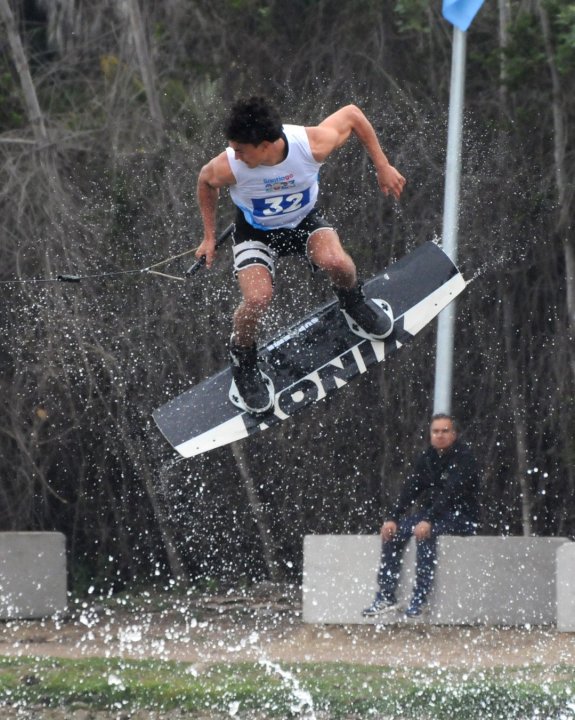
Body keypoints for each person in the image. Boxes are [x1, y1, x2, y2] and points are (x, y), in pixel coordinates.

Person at [195, 96, 406, 415]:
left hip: (304, 222)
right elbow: (205, 182)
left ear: (265, 145)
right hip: (256, 233)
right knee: (257, 299)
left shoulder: (312, 145)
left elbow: (351, 114)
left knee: (337, 261)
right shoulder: (229, 166)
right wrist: (209, 237)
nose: (234, 155)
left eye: (241, 149)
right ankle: (243, 359)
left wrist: (382, 165)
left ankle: (353, 303)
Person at [363, 413, 480, 619]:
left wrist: (429, 520)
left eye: (445, 431)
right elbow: (411, 489)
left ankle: (420, 599)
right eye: (436, 431)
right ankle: (386, 596)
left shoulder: (464, 458)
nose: (440, 436)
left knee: (425, 535)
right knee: (393, 533)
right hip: (432, 514)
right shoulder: (427, 458)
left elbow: (450, 493)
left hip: (461, 516)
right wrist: (393, 517)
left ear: (454, 434)